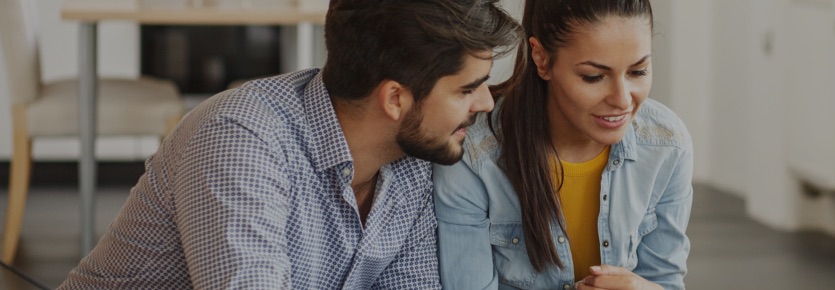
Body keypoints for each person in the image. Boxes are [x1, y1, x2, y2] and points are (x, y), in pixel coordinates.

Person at [58, 0, 519, 288]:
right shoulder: (239, 139)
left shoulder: (416, 158)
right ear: (395, 98)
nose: (484, 103)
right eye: (466, 88)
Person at [432, 0, 693, 289]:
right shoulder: (473, 155)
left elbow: (665, 281)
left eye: (638, 72)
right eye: (593, 77)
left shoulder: (667, 145)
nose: (622, 99)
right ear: (541, 58)